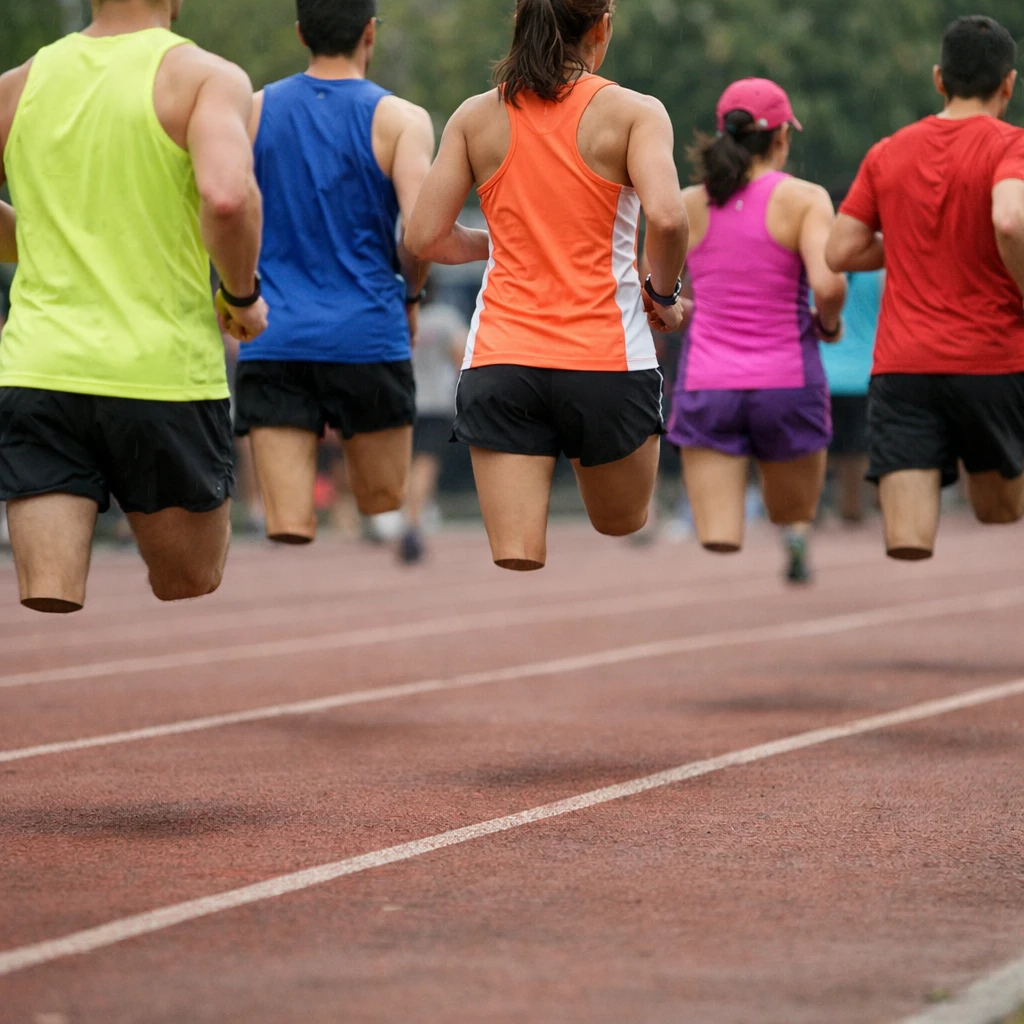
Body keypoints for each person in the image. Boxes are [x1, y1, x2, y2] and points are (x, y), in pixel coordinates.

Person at [0, 0, 266, 614]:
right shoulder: (204, 78)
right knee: (190, 582)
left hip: (40, 371)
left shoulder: (19, 84)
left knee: (49, 594)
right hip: (162, 377)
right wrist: (241, 295)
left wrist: (42, 236)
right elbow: (227, 196)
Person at [405, 0, 688, 572]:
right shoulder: (636, 113)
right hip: (607, 364)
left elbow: (424, 237)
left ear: (519, 21)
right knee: (623, 522)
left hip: (502, 363)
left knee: (515, 554)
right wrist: (662, 295)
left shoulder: (474, 117)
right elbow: (670, 217)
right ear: (602, 25)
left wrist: (508, 240)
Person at [233, 0, 435, 545]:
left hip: (276, 337)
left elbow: (226, 209)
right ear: (370, 31)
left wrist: (236, 292)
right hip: (369, 336)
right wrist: (411, 301)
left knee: (288, 523)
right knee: (383, 502)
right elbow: (417, 236)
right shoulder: (403, 120)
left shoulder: (249, 111)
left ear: (301, 33)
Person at [827, 16, 1024, 561]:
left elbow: (839, 250)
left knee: (908, 536)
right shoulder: (1013, 146)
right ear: (1008, 84)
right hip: (994, 362)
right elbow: (1010, 220)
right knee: (1000, 510)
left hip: (903, 367)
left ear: (939, 79)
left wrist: (919, 239)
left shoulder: (887, 151)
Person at [666, 79, 847, 583]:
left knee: (718, 534)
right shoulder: (806, 200)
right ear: (782, 137)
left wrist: (685, 314)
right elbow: (828, 288)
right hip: (788, 383)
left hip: (707, 384)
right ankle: (793, 539)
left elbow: (657, 300)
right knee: (795, 513)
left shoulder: (685, 203)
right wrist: (828, 326)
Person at [819, 202, 883, 524]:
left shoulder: (818, 262)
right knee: (858, 448)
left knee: (820, 446)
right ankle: (853, 511)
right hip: (864, 372)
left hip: (822, 371)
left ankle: (811, 511)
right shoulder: (880, 268)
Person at [399, 284, 469, 564]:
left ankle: (408, 513)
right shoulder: (444, 318)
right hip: (436, 403)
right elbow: (462, 356)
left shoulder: (400, 315)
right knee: (426, 464)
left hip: (402, 398)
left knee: (406, 464)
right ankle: (412, 521)